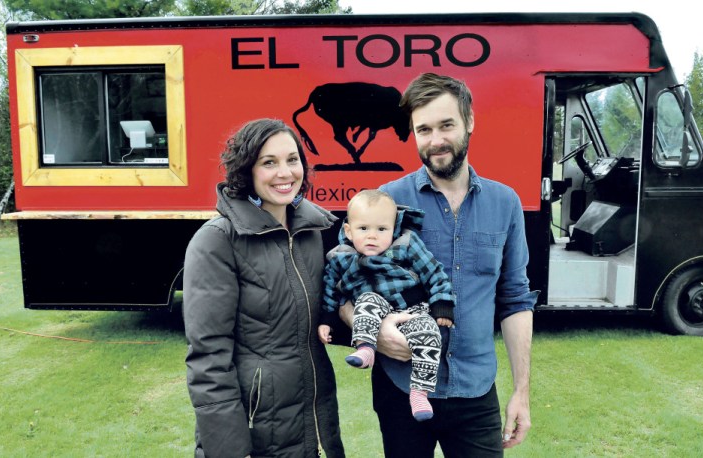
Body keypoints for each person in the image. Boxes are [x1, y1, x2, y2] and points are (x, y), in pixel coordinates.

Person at [341, 73, 538, 457]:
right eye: (424, 129)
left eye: (446, 125)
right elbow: (343, 284)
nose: (435, 141)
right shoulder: (386, 203)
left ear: (470, 122)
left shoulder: (506, 203)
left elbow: (515, 301)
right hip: (401, 388)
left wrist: (521, 392)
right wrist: (374, 330)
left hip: (476, 390)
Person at [183, 118, 345, 458]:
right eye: (268, 162)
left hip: (314, 422)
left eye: (292, 159)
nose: (285, 173)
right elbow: (208, 358)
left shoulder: (311, 231)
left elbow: (323, 315)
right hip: (256, 431)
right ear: (247, 170)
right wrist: (228, 449)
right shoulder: (217, 241)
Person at [317, 189, 455, 422]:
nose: (372, 236)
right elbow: (331, 290)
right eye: (363, 229)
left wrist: (442, 303)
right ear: (349, 231)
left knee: (431, 334)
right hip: (374, 311)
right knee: (367, 301)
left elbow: (435, 273)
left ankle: (420, 392)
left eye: (382, 229)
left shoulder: (407, 245)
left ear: (394, 229)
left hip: (413, 309)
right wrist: (327, 320)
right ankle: (366, 348)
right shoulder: (340, 257)